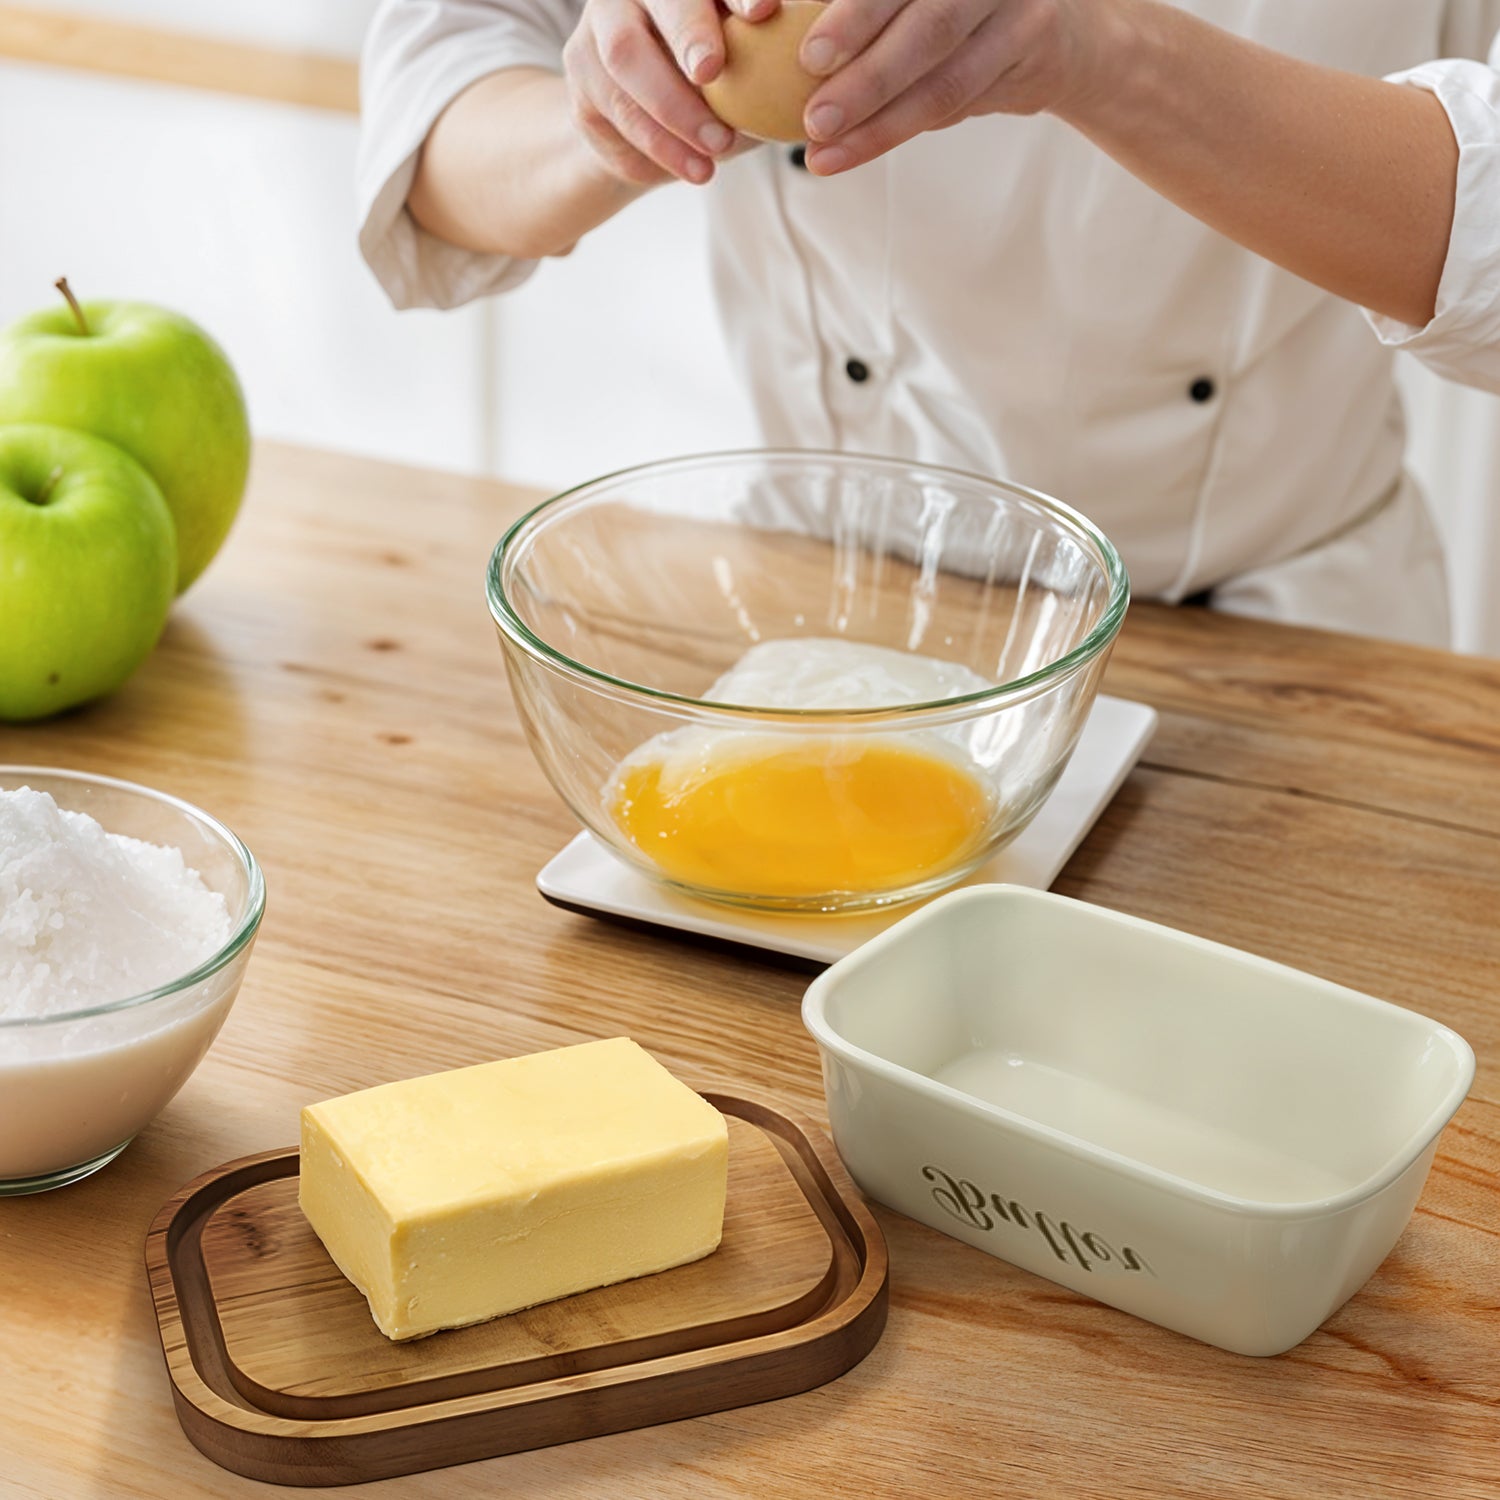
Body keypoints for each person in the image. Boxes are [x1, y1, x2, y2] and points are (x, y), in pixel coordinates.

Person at [357, 1, 1500, 646]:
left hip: (1279, 639)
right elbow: (438, 120)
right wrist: (629, 114)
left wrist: (1095, 49)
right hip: (806, 617)